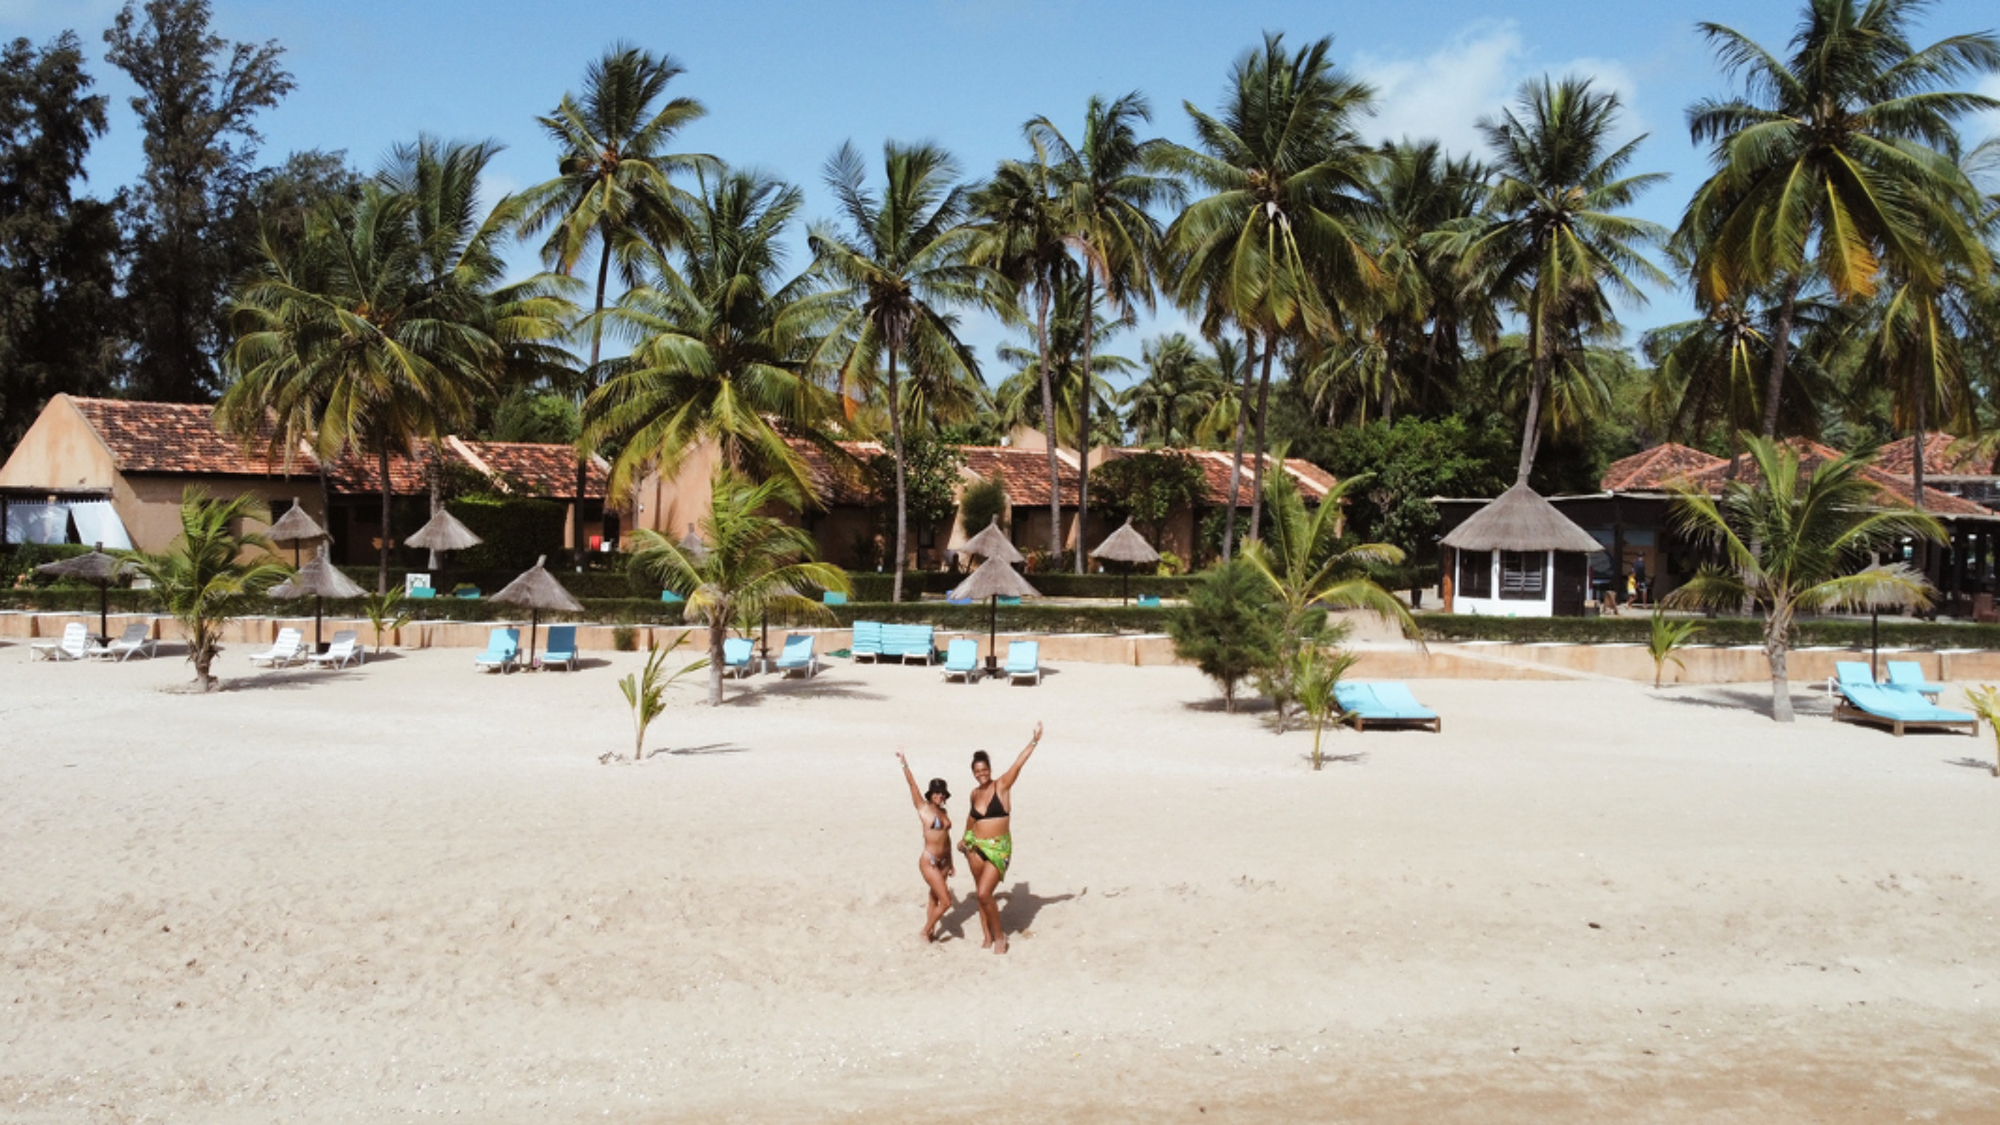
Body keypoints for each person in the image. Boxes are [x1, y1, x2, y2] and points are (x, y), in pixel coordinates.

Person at [959, 722, 1041, 954]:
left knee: (985, 893)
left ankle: (999, 936)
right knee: (981, 894)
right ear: (973, 773)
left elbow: (1018, 763)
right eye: (977, 771)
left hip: (999, 848)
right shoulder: (974, 793)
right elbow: (971, 818)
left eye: (984, 769)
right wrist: (965, 838)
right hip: (976, 846)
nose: (981, 774)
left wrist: (1034, 741)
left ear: (990, 769)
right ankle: (987, 935)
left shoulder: (1002, 786)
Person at [896, 752, 955, 945]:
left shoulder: (944, 812)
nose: (939, 795)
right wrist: (905, 764)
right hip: (929, 860)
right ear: (930, 794)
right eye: (936, 792)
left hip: (944, 861)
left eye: (942, 793)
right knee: (947, 902)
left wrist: (951, 862)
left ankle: (930, 934)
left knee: (934, 899)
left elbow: (947, 838)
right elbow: (913, 786)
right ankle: (925, 931)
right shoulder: (924, 808)